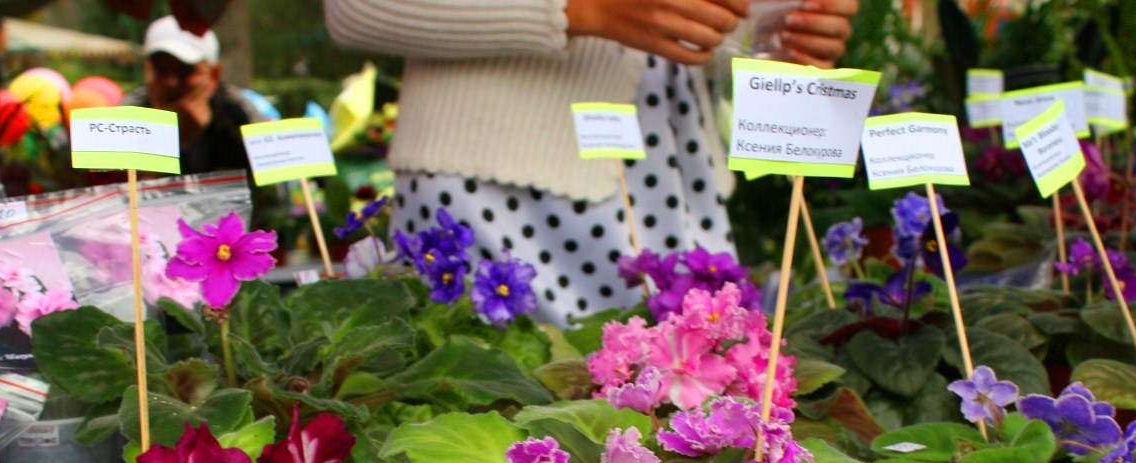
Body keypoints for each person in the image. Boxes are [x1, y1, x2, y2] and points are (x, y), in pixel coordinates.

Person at [324, 0, 858, 326]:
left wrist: (769, 32)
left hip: (677, 177)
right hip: (493, 187)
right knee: (519, 455)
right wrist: (581, 10)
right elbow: (356, 9)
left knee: (697, 443)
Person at [122, 16, 261, 175]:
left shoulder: (239, 112)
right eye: (161, 69)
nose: (171, 82)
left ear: (213, 75)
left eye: (185, 70)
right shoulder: (128, 114)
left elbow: (269, 181)